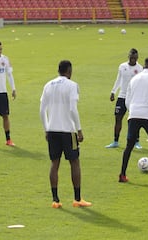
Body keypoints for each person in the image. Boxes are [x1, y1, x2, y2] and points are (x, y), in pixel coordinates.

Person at [40, 60, 92, 208]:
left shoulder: (48, 85)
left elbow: (42, 110)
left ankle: (55, 200)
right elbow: (72, 109)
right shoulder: (72, 86)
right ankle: (77, 199)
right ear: (69, 71)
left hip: (52, 130)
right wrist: (79, 129)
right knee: (74, 162)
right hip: (68, 131)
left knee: (54, 163)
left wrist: (46, 129)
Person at [106, 48, 143, 149]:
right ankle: (115, 141)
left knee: (135, 120)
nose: (133, 60)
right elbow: (118, 79)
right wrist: (113, 91)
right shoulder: (122, 66)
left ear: (137, 58)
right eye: (131, 58)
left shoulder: (140, 68)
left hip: (134, 97)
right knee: (118, 119)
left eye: (135, 58)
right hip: (122, 96)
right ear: (128, 57)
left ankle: (136, 141)